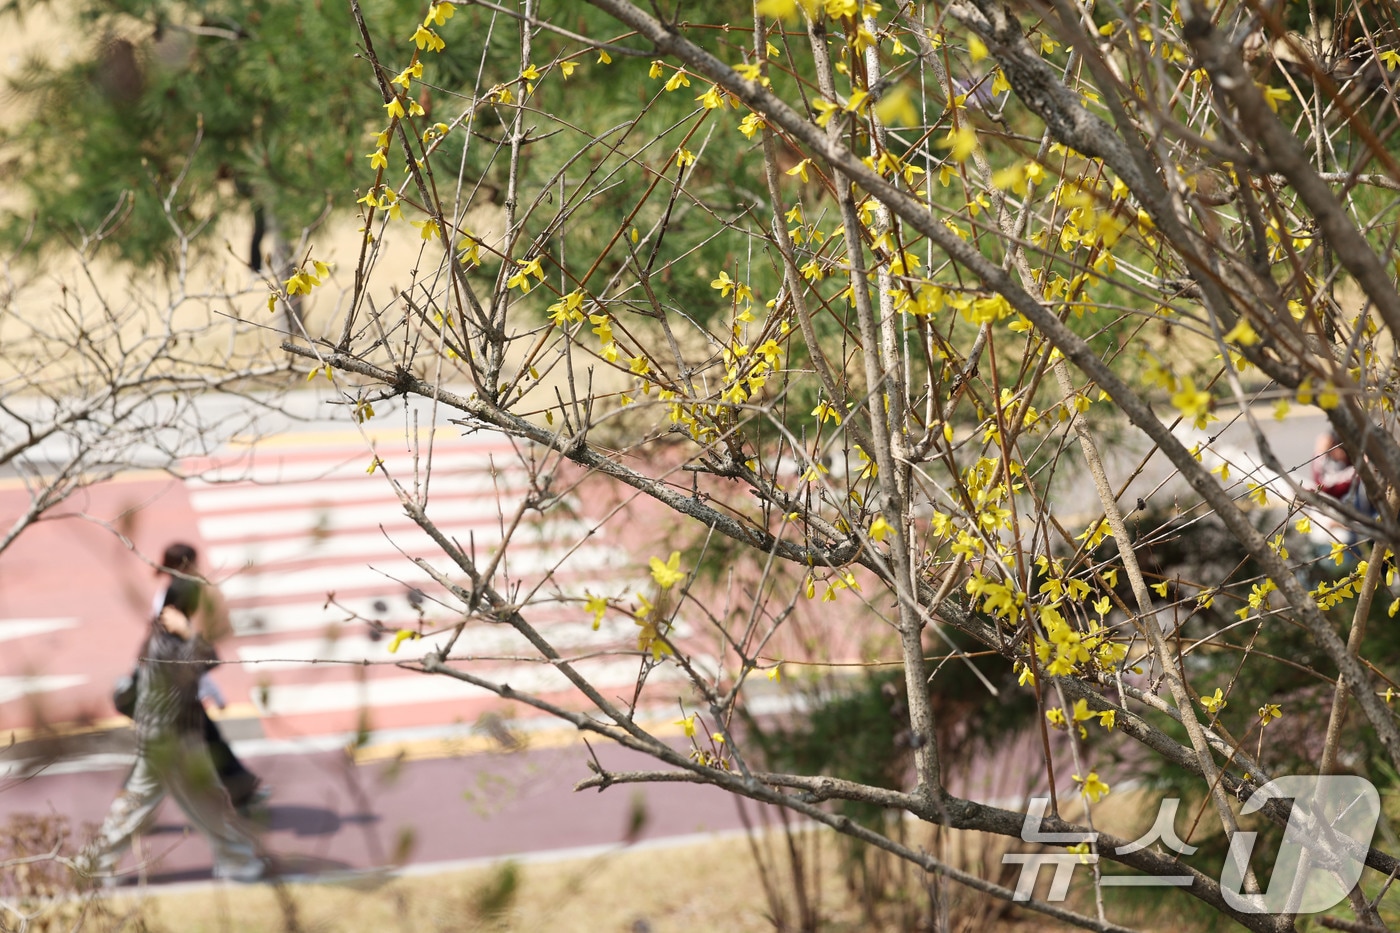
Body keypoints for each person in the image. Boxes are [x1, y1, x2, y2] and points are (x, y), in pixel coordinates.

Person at [77, 579, 265, 884]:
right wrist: (189, 632)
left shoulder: (157, 635)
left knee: (135, 803)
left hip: (157, 736)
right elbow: (209, 659)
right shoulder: (170, 642)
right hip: (174, 740)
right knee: (207, 803)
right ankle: (238, 860)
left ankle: (96, 862)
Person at [151, 543, 267, 812]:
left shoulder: (171, 614)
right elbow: (202, 658)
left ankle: (242, 788)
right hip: (170, 704)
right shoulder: (169, 623)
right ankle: (239, 793)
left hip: (178, 700)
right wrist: (190, 634)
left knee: (208, 741)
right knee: (157, 768)